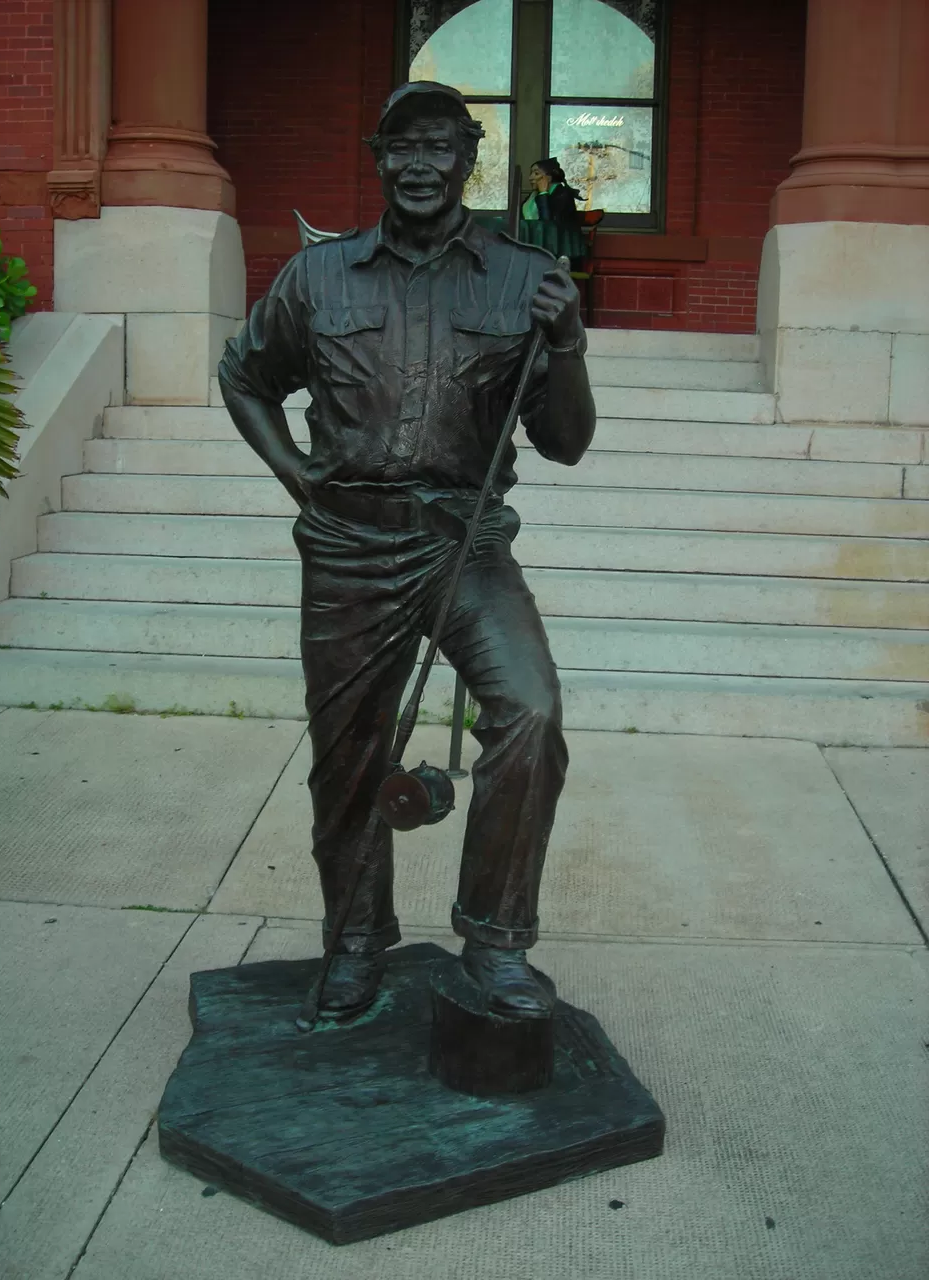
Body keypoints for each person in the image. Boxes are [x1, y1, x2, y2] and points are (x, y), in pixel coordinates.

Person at [218, 81, 595, 1023]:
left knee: (531, 714)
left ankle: (496, 944)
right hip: (348, 546)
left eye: (440, 148)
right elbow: (246, 377)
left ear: (472, 161)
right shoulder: (320, 277)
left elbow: (567, 441)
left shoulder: (524, 277)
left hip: (465, 546)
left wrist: (571, 344)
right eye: (401, 149)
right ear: (378, 159)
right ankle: (353, 939)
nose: (420, 165)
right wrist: (297, 475)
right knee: (347, 756)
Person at [522, 158, 582, 228]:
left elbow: (548, 226)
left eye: (536, 173)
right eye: (531, 173)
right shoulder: (532, 197)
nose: (530, 178)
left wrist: (543, 194)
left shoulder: (562, 195)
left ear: (549, 178)